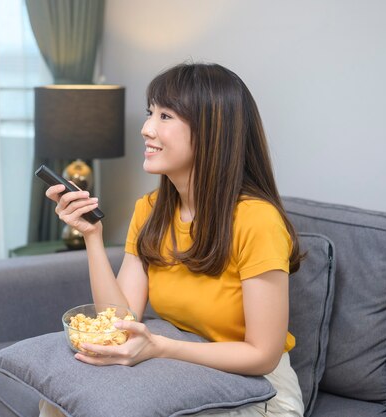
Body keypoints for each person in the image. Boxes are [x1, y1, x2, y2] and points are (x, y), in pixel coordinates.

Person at [41, 62, 305, 416]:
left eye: (166, 116)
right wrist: (92, 236)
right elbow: (119, 319)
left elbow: (262, 354)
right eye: (151, 113)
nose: (146, 128)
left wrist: (159, 348)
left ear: (212, 131)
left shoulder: (257, 220)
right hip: (186, 370)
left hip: (262, 392)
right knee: (61, 401)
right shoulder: (150, 210)